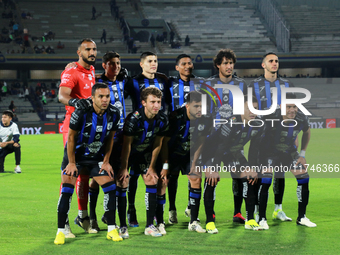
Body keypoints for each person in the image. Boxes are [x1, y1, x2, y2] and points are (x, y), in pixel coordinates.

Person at [54, 83, 121, 245]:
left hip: (95, 158)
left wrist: (106, 162)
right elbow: (70, 138)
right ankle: (61, 231)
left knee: (111, 187)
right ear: (92, 98)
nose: (105, 100)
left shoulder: (113, 113)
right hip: (75, 158)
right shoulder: (81, 112)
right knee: (67, 189)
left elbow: (110, 139)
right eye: (101, 96)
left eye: (107, 96)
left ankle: (112, 229)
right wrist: (70, 163)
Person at [201, 96, 264, 231]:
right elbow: (221, 146)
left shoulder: (258, 125)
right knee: (212, 179)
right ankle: (209, 221)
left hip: (232, 151)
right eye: (249, 108)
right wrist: (214, 168)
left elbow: (254, 149)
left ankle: (250, 219)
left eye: (256, 109)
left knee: (249, 177)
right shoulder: (232, 122)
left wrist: (251, 167)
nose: (253, 112)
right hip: (212, 151)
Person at [124, 52, 170, 227]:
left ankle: (160, 214)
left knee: (159, 176)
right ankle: (131, 210)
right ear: (141, 64)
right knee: (133, 177)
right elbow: (114, 86)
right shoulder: (133, 81)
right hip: (136, 133)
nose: (153, 64)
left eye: (155, 61)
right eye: (150, 61)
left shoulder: (164, 80)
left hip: (157, 130)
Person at [257, 93, 316, 229]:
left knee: (304, 177)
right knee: (266, 180)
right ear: (281, 106)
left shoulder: (301, 118)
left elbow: (307, 132)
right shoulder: (270, 117)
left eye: (294, 106)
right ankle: (261, 218)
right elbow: (257, 138)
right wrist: (257, 161)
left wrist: (302, 154)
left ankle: (301, 217)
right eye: (289, 106)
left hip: (288, 152)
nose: (292, 110)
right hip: (269, 152)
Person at [248, 52, 295, 222]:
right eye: (271, 61)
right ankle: (255, 210)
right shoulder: (254, 85)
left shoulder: (287, 84)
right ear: (263, 65)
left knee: (280, 173)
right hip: (261, 136)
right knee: (261, 175)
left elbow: (293, 110)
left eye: (276, 61)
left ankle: (278, 209)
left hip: (281, 136)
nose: (274, 63)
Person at [116, 87, 169, 236]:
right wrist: (124, 168)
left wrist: (152, 167)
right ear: (144, 103)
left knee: (152, 180)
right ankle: (122, 226)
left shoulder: (162, 119)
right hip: (127, 154)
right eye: (153, 102)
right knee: (123, 181)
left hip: (145, 154)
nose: (156, 105)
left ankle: (149, 226)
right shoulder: (134, 119)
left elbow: (158, 144)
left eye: (158, 102)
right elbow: (126, 145)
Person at [58, 38, 97, 237]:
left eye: (94, 49)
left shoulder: (91, 71)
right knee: (70, 172)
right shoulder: (71, 71)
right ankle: (63, 222)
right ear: (78, 52)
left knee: (85, 174)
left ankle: (82, 216)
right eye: (87, 49)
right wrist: (76, 102)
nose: (92, 52)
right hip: (73, 126)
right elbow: (62, 95)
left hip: (89, 127)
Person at [205, 49, 248, 224]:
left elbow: (246, 108)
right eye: (225, 63)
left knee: (238, 175)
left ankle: (237, 212)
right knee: (211, 177)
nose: (229, 66)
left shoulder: (242, 84)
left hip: (234, 139)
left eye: (231, 63)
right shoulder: (208, 84)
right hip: (213, 138)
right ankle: (210, 214)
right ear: (218, 65)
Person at [90, 51, 130, 237]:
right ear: (104, 65)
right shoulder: (98, 83)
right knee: (97, 179)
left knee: (119, 178)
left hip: (121, 136)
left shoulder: (123, 80)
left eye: (118, 63)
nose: (116, 66)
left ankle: (111, 217)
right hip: (103, 137)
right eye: (112, 63)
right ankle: (91, 217)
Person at [162, 91, 210, 233]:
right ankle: (172, 209)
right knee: (170, 180)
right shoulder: (174, 117)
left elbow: (201, 141)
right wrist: (165, 164)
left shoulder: (205, 119)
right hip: (172, 154)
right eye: (196, 106)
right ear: (187, 106)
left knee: (196, 179)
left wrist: (194, 163)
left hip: (189, 153)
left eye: (202, 106)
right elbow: (164, 143)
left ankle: (193, 221)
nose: (200, 109)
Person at [167, 54, 203, 224]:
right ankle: (171, 209)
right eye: (183, 64)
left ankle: (190, 206)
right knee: (171, 177)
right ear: (177, 67)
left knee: (194, 175)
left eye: (189, 63)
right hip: (175, 137)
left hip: (194, 136)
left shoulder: (201, 84)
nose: (187, 66)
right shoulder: (169, 83)